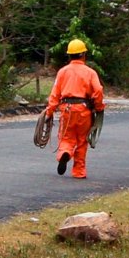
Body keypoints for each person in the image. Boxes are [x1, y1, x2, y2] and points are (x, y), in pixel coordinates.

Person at [43, 38, 106, 179]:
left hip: (67, 110)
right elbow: (98, 91)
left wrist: (49, 112)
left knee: (66, 136)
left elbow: (55, 94)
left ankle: (65, 152)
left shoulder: (62, 72)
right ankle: (79, 171)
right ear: (84, 54)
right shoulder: (90, 73)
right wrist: (99, 107)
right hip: (84, 111)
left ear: (69, 55)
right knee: (82, 141)